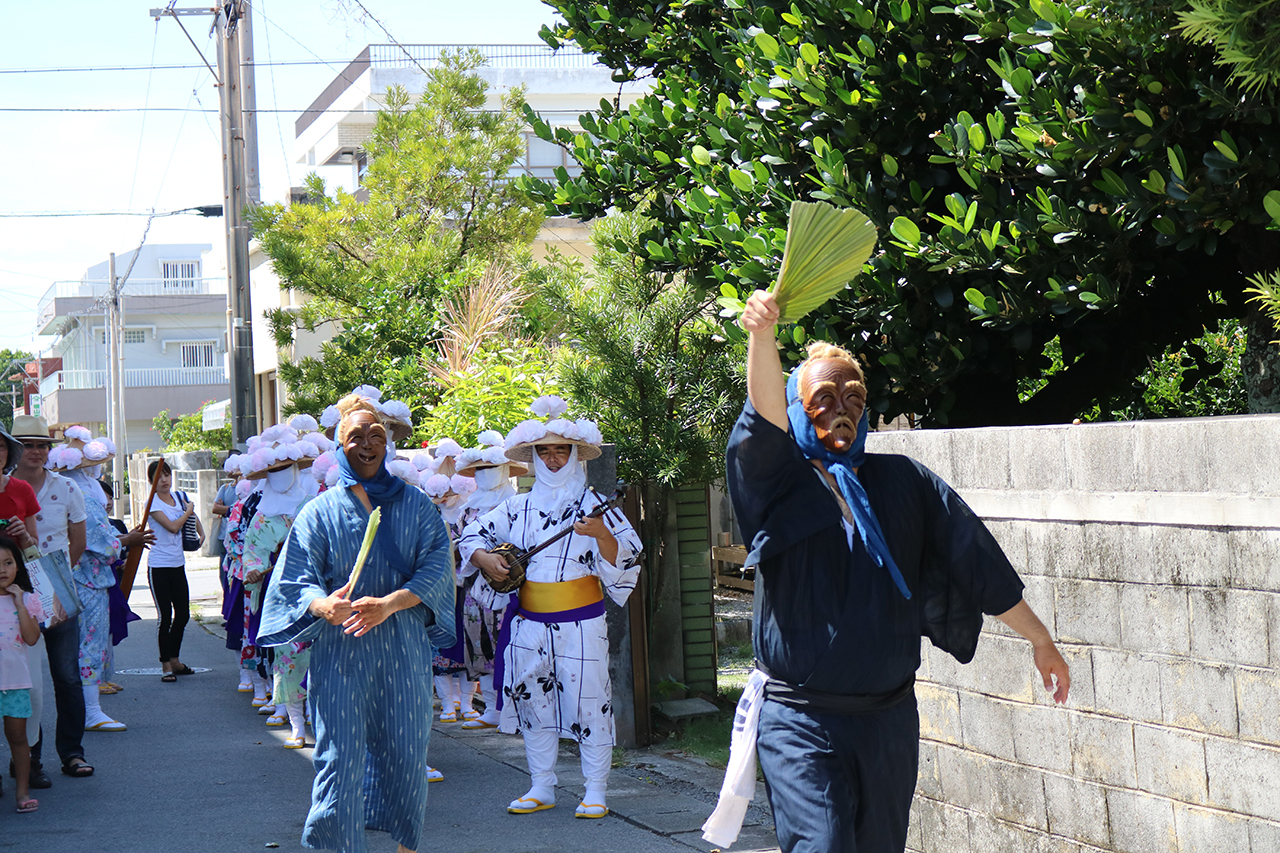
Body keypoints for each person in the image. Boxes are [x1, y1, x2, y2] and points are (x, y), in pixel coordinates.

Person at [702, 290, 1070, 853]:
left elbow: (976, 562)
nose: (841, 408)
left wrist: (1040, 639)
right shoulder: (779, 484)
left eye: (853, 396)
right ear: (799, 410)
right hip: (800, 721)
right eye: (822, 398)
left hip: (887, 721)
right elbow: (763, 421)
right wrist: (762, 334)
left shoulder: (905, 483)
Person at [258, 392, 455, 853]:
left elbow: (436, 566)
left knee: (407, 754)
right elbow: (296, 577)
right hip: (341, 651)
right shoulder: (320, 511)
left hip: (403, 649)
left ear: (388, 444)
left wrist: (389, 603)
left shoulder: (418, 505)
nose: (367, 444)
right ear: (338, 445)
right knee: (337, 759)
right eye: (355, 437)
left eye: (376, 436)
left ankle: (407, 846)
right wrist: (322, 605)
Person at [458, 396, 642, 819]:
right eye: (545, 450)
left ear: (576, 455)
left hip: (582, 622)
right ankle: (542, 784)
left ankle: (595, 790)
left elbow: (629, 558)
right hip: (528, 622)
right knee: (531, 700)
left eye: (562, 450)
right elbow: (471, 537)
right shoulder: (517, 506)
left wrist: (601, 534)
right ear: (535, 457)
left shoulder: (596, 504)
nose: (554, 458)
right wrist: (486, 559)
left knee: (590, 700)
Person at [10, 414, 91, 782]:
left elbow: (78, 540)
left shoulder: (67, 488)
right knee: (26, 681)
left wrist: (56, 581)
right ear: (15, 450)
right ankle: (29, 761)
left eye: (43, 445)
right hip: (13, 595)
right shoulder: (4, 488)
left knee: (67, 677)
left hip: (58, 591)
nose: (37, 452)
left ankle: (72, 753)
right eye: (28, 445)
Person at [241, 419, 324, 746]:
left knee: (321, 660)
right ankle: (296, 725)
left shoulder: (315, 503)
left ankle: (321, 722)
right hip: (283, 595)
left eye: (287, 468)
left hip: (318, 592)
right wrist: (253, 569)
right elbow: (252, 551)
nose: (281, 476)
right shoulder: (262, 516)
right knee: (287, 658)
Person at [454, 431, 527, 730]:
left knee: (510, 643)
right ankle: (492, 706)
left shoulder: (520, 504)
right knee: (479, 643)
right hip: (475, 589)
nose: (485, 475)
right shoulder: (467, 508)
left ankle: (514, 707)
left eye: (491, 468)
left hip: (512, 587)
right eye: (479, 470)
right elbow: (461, 543)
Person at [145, 459, 204, 683]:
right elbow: (172, 527)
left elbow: (193, 520)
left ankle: (176, 659)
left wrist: (201, 534)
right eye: (159, 477)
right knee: (165, 616)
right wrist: (188, 512)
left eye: (167, 475)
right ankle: (166, 665)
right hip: (159, 565)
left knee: (183, 614)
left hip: (177, 564)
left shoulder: (179, 498)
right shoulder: (152, 503)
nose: (164, 480)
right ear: (151, 481)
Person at [0, 535, 44, 814]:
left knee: (18, 738)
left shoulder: (28, 600)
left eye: (8, 562)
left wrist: (19, 604)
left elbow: (31, 638)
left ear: (18, 566)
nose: (2, 569)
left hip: (15, 682)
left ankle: (22, 792)